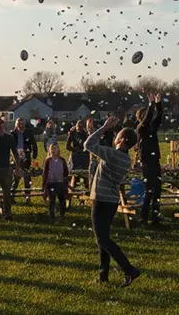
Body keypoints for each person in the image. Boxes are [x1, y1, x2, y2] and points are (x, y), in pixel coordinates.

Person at [84, 116, 141, 287]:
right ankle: (103, 276)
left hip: (101, 199)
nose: (115, 135)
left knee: (102, 239)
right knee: (104, 238)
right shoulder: (124, 158)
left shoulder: (113, 154)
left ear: (122, 140)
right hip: (111, 201)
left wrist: (103, 128)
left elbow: (88, 145)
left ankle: (129, 269)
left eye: (118, 134)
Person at [137, 93, 163, 225]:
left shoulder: (152, 129)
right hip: (146, 163)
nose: (150, 116)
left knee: (157, 190)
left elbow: (158, 118)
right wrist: (151, 105)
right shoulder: (141, 129)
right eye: (147, 115)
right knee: (149, 191)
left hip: (155, 162)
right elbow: (147, 119)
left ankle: (155, 216)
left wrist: (158, 104)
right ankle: (143, 217)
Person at [11, 118, 39, 202]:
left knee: (27, 177)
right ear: (16, 124)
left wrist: (34, 155)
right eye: (19, 123)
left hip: (26, 158)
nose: (21, 125)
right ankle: (12, 194)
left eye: (22, 123)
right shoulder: (12, 133)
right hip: (15, 158)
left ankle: (27, 195)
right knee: (16, 177)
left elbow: (34, 144)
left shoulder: (28, 133)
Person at [42, 142, 69, 221]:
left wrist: (66, 184)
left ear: (58, 150)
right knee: (52, 200)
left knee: (62, 200)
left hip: (60, 183)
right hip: (51, 183)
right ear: (49, 150)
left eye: (55, 148)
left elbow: (66, 173)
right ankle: (52, 215)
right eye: (52, 149)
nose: (54, 150)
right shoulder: (48, 160)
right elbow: (45, 173)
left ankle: (62, 215)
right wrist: (44, 186)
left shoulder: (62, 160)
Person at [66, 120, 90, 189]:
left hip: (84, 157)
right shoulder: (72, 133)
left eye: (81, 127)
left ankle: (87, 192)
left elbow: (88, 145)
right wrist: (75, 149)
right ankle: (73, 191)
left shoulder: (85, 134)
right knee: (75, 175)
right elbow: (67, 146)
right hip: (75, 157)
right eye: (78, 127)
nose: (79, 128)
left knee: (85, 176)